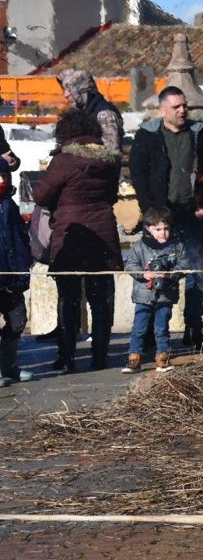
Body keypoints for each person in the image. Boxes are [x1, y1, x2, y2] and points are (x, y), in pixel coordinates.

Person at [34, 109, 123, 374]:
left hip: (71, 236)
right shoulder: (109, 160)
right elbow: (112, 195)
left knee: (69, 298)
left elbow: (40, 195)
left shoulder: (64, 160)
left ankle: (67, 356)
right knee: (101, 299)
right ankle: (99, 357)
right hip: (103, 235)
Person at [129, 86, 203, 351]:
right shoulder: (148, 136)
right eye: (176, 107)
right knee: (155, 270)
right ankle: (151, 335)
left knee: (194, 273)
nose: (182, 111)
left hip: (190, 212)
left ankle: (193, 329)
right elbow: (138, 173)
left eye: (184, 106)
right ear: (163, 109)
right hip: (159, 216)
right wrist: (149, 212)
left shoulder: (198, 133)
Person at [121, 207, 197, 374]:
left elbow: (184, 265)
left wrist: (170, 274)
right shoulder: (139, 247)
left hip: (165, 295)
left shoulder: (177, 246)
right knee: (139, 328)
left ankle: (162, 357)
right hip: (143, 295)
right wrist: (144, 274)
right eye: (158, 229)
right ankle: (134, 358)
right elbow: (130, 265)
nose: (163, 233)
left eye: (166, 229)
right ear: (148, 228)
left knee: (161, 328)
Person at [0, 163, 33, 387]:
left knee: (17, 320)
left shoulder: (9, 206)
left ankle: (9, 366)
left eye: (3, 176)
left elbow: (19, 241)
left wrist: (23, 269)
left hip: (12, 277)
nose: (1, 181)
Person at [57, 69, 124, 153]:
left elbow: (112, 153)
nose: (66, 95)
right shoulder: (82, 112)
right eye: (65, 89)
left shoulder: (104, 115)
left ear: (82, 90)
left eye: (70, 89)